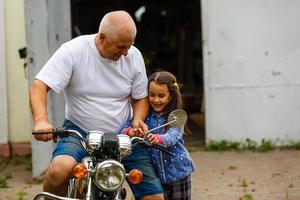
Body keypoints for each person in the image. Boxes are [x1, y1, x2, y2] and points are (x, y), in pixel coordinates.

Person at [29, 10, 164, 200]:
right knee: (59, 171)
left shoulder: (133, 55)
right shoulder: (74, 50)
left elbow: (140, 97)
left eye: (129, 46)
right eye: (120, 47)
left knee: (154, 197)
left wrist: (138, 119)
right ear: (102, 37)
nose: (125, 53)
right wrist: (41, 121)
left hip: (123, 133)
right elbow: (39, 86)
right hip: (80, 130)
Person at [121, 71, 195, 200]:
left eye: (161, 96)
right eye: (152, 95)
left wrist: (157, 138)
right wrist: (131, 132)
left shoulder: (176, 116)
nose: (156, 100)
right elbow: (122, 130)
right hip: (155, 175)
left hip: (178, 174)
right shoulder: (144, 114)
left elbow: (171, 138)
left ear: (171, 96)